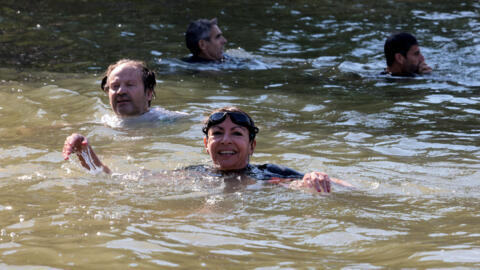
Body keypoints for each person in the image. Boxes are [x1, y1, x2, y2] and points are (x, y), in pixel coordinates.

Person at [62, 107, 352, 193]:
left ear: (252, 145)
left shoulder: (271, 174)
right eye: (217, 134)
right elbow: (114, 180)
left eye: (236, 134)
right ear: (206, 144)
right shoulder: (193, 175)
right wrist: (84, 152)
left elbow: (349, 187)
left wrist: (319, 180)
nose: (225, 140)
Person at [98, 59, 186, 125]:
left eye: (130, 84)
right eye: (115, 86)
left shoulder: (167, 119)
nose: (120, 91)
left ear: (148, 94)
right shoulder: (106, 123)